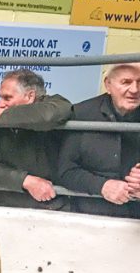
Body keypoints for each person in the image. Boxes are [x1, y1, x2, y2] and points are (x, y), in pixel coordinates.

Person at [0, 68, 72, 210]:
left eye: (7, 98)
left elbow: (49, 115)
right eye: (1, 97)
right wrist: (25, 181)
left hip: (54, 205)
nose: (0, 104)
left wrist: (7, 116)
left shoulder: (56, 103)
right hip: (10, 204)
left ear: (30, 96)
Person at [57, 63, 140, 218]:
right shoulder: (82, 113)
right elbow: (65, 171)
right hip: (88, 216)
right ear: (108, 85)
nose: (135, 89)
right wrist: (102, 186)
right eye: (126, 82)